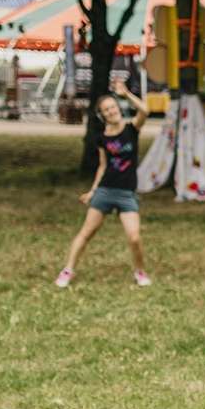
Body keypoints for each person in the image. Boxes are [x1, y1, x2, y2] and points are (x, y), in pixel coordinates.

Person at [55, 74, 151, 288]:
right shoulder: (102, 138)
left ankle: (140, 272)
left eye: (113, 106)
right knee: (86, 234)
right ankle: (67, 270)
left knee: (134, 238)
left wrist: (126, 94)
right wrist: (93, 191)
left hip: (127, 194)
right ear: (102, 115)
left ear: (118, 107)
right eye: (106, 109)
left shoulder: (131, 130)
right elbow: (103, 166)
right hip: (106, 191)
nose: (111, 111)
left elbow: (145, 110)